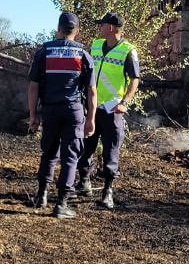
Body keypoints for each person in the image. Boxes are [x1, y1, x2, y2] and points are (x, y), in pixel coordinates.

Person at [27, 12, 96, 218]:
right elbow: (92, 92)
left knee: (48, 152)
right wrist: (91, 119)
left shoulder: (44, 52)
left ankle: (41, 196)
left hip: (50, 110)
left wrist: (33, 115)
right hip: (73, 110)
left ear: (57, 29)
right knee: (70, 157)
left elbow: (33, 87)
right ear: (77, 31)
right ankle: (62, 204)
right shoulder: (84, 55)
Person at [75, 12, 141, 210]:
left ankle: (107, 191)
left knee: (111, 150)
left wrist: (125, 102)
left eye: (102, 25)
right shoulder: (95, 45)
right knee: (86, 145)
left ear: (111, 28)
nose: (99, 28)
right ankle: (84, 181)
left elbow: (135, 79)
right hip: (91, 106)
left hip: (113, 109)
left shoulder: (128, 50)